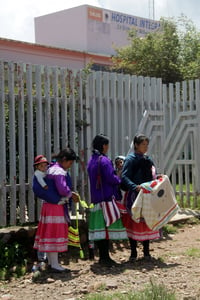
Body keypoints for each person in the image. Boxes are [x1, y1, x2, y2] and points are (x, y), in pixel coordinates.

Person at [33, 148, 79, 273]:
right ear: (64, 160)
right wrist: (71, 194)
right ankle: (55, 264)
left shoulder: (50, 168)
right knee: (54, 233)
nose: (69, 167)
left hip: (48, 205)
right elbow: (62, 189)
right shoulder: (59, 171)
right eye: (69, 163)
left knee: (50, 234)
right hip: (56, 207)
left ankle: (52, 262)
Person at [87, 134, 127, 267]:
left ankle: (103, 256)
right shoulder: (104, 160)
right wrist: (119, 179)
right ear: (104, 146)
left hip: (96, 198)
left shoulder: (91, 160)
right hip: (106, 199)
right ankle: (105, 257)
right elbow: (110, 178)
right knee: (106, 228)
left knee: (99, 229)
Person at [121, 134, 160, 262]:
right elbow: (124, 176)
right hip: (134, 195)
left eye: (147, 144)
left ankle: (147, 252)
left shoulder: (147, 159)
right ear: (136, 145)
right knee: (133, 222)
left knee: (146, 221)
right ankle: (133, 253)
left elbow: (152, 175)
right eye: (143, 144)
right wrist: (134, 187)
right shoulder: (130, 159)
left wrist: (159, 178)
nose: (146, 147)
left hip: (146, 195)